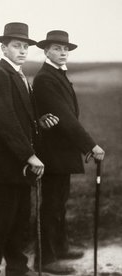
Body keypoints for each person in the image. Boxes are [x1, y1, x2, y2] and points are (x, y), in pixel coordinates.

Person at [0, 22, 59, 276]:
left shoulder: (20, 76)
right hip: (6, 164)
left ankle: (17, 267)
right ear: (4, 47)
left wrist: (39, 121)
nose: (23, 50)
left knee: (19, 220)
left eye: (26, 46)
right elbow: (5, 120)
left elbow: (22, 117)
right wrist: (29, 155)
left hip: (21, 164)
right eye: (17, 46)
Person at [32, 30, 105, 275]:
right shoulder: (45, 78)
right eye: (57, 48)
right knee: (52, 204)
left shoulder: (56, 74)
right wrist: (90, 145)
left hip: (62, 151)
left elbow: (68, 115)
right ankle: (45, 258)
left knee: (59, 202)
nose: (63, 52)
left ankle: (60, 247)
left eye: (65, 49)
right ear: (46, 51)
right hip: (52, 152)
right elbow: (64, 117)